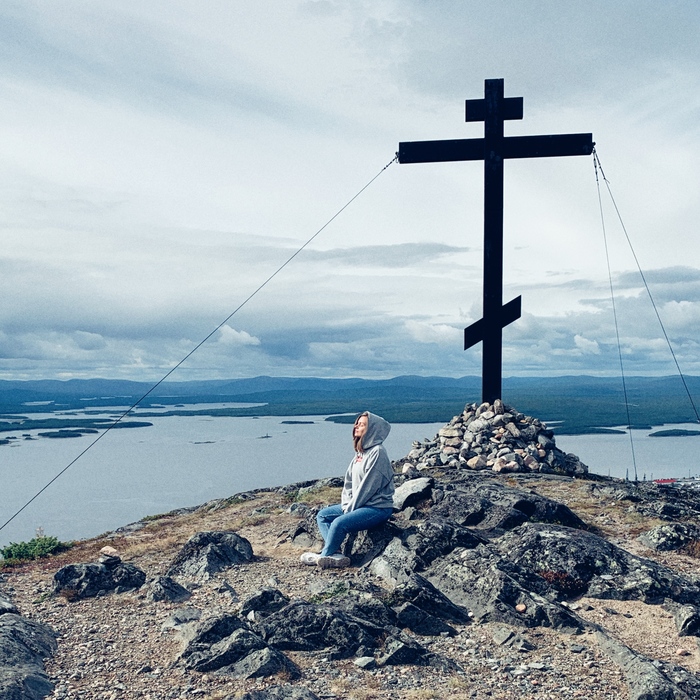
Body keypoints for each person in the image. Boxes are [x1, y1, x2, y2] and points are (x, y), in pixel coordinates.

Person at [301, 411, 395, 569]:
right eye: (357, 423)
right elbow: (349, 483)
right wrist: (346, 505)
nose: (357, 426)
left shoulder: (377, 452)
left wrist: (349, 511)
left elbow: (368, 487)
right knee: (322, 516)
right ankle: (336, 553)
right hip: (359, 505)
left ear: (372, 429)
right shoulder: (360, 453)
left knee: (339, 523)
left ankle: (324, 556)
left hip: (377, 507)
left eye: (362, 424)